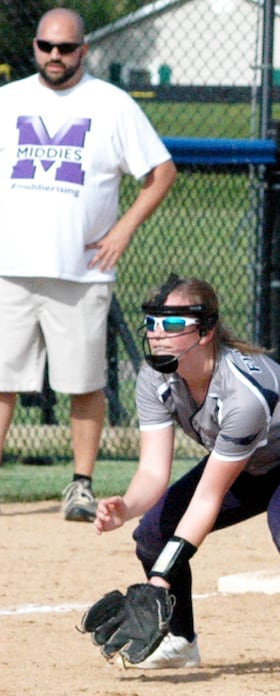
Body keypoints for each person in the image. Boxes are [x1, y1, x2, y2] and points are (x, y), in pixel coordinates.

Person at [92, 275, 280, 686]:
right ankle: (180, 642)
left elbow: (207, 499)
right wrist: (126, 507)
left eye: (174, 324)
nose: (158, 335)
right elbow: (152, 472)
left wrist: (158, 583)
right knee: (152, 533)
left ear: (207, 331)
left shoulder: (242, 393)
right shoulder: (155, 378)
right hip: (254, 461)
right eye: (152, 323)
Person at [0, 7, 176, 521]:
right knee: (1, 381)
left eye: (67, 47)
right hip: (11, 268)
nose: (55, 56)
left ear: (84, 49)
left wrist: (122, 230)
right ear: (34, 47)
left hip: (82, 272)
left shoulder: (111, 105)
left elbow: (161, 173)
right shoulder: (8, 102)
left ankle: (80, 485)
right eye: (46, 46)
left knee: (83, 382)